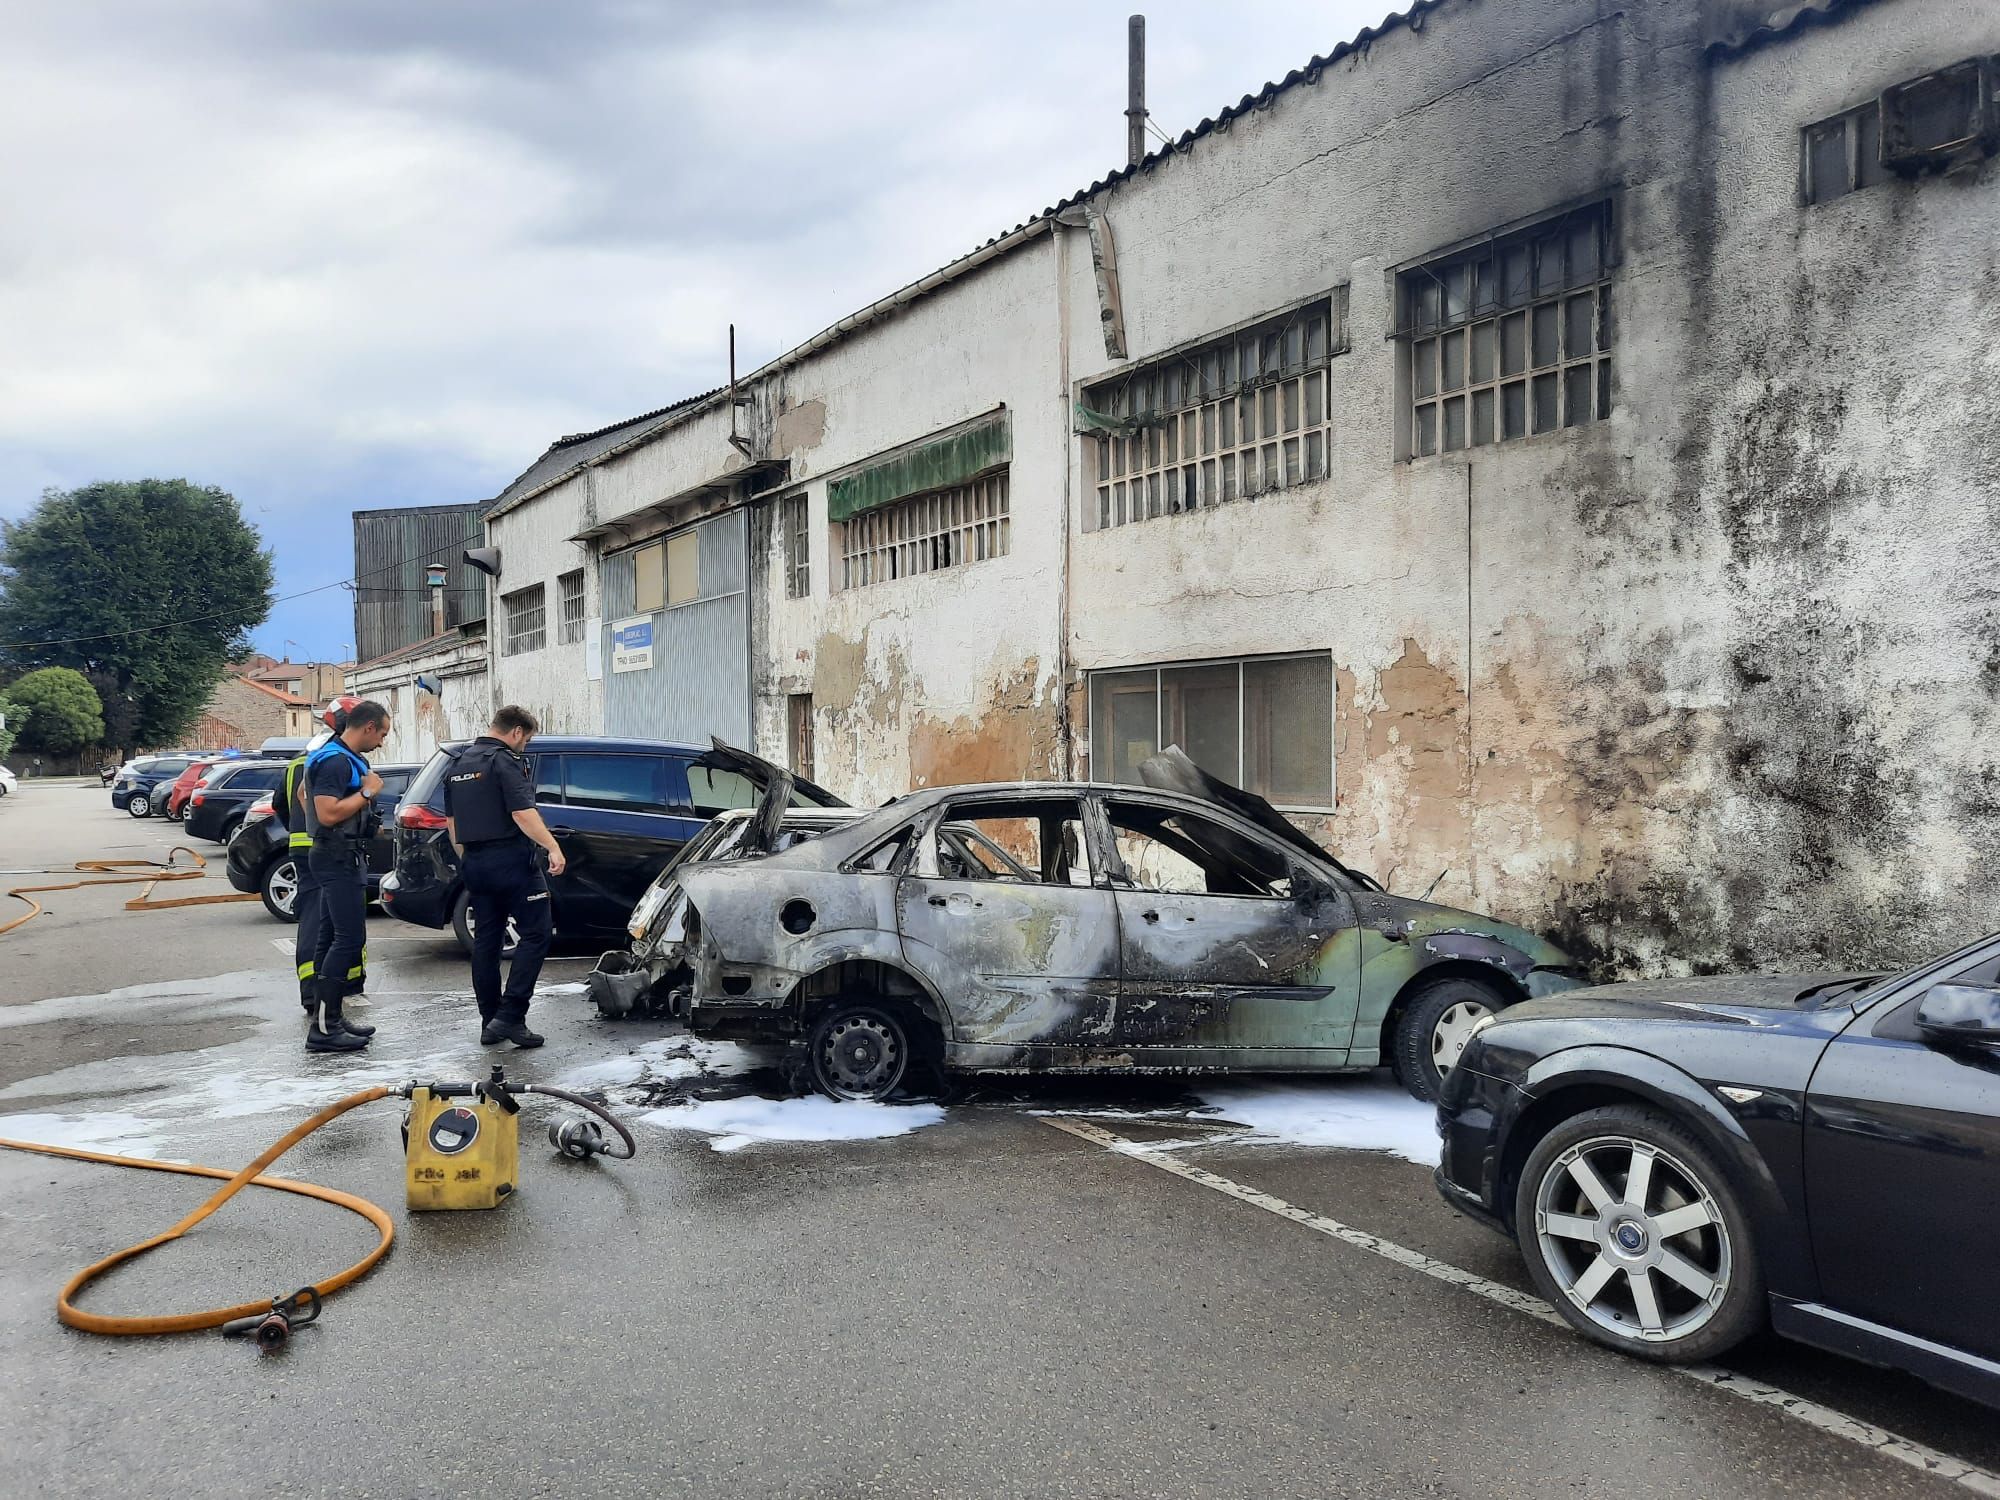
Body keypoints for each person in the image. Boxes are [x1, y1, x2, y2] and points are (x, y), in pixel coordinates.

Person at [443, 705, 566, 1047]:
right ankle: (511, 1016)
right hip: (512, 862)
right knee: (537, 934)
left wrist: (470, 859)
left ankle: (490, 1022)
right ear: (516, 732)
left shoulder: (458, 764)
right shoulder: (504, 761)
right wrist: (553, 847)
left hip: (475, 864)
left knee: (486, 942)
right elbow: (522, 812)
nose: (524, 746)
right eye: (526, 739)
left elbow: (452, 825)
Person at [274, 697, 369, 1035]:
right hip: (327, 849)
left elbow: (282, 805)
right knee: (330, 928)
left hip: (306, 847)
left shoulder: (302, 762)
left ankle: (330, 1004)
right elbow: (325, 808)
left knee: (326, 925)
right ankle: (320, 1003)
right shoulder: (335, 761)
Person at [303, 700, 392, 1053]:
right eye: (382, 733)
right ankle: (325, 1028)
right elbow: (326, 813)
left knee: (331, 937)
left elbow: (302, 795)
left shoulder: (336, 756)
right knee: (348, 939)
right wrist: (367, 792)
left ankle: (330, 1019)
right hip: (336, 857)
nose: (382, 741)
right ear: (368, 726)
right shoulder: (337, 761)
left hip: (341, 854)